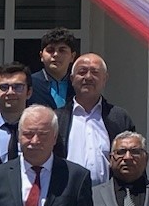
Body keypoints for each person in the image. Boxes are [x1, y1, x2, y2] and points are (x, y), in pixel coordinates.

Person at [57, 53, 137, 186]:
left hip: (108, 195)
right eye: (82, 72)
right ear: (72, 79)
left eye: (95, 72)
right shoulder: (57, 119)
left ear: (104, 79)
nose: (88, 77)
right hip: (67, 194)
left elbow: (134, 158)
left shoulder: (119, 118)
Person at [30, 27, 78, 110]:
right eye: (50, 50)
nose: (56, 54)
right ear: (41, 56)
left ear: (72, 56)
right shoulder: (30, 83)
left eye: (62, 50)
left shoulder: (78, 85)